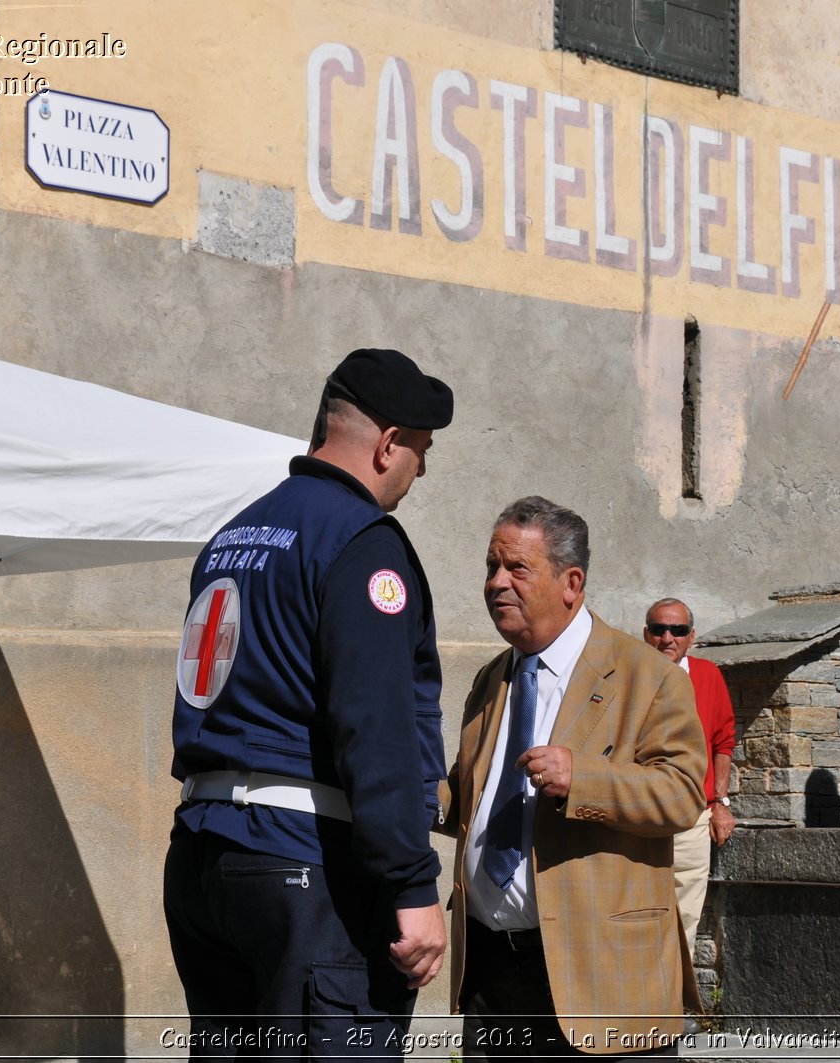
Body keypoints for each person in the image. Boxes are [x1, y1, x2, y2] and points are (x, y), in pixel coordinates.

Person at [162, 348, 453, 1059]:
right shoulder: (362, 544)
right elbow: (375, 726)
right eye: (421, 449)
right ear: (388, 444)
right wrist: (413, 884)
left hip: (206, 855)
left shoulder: (234, 535)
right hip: (306, 864)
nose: (422, 468)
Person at [437, 497, 706, 1059]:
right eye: (491, 567)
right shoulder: (493, 678)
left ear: (571, 581)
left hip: (601, 974)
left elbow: (682, 793)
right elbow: (474, 790)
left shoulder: (647, 675)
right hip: (492, 971)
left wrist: (582, 778)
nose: (495, 583)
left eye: (516, 568)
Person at [642, 598, 736, 958]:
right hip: (640, 814)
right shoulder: (628, 674)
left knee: (684, 918)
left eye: (678, 630)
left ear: (691, 636)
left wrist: (720, 803)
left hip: (693, 814)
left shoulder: (708, 675)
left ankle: (670, 1009)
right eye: (659, 629)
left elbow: (723, 741)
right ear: (645, 633)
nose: (668, 637)